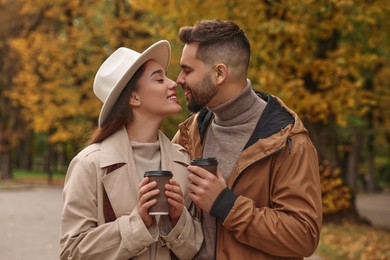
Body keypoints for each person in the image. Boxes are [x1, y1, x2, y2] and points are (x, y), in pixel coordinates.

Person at [172, 19, 322, 259]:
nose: (179, 79)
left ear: (219, 73)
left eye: (187, 70)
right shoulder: (189, 133)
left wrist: (226, 205)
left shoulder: (288, 141)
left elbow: (303, 236)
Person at [60, 40, 203, 260]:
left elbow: (197, 249)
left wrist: (178, 221)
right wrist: (138, 224)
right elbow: (72, 252)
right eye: (159, 79)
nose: (173, 83)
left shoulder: (183, 161)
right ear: (134, 97)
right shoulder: (89, 164)